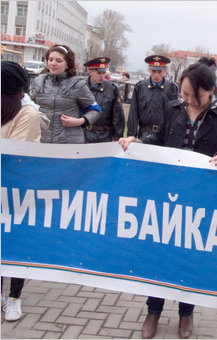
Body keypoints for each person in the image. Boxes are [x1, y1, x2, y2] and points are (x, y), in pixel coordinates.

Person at [119, 62, 217, 338]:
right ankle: (153, 310)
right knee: (160, 252)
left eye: (192, 95)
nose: (186, 99)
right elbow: (159, 138)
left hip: (200, 198)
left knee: (190, 255)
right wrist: (139, 142)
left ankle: (186, 314)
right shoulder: (173, 108)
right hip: (168, 194)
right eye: (184, 93)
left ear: (209, 91)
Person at [1, 61, 42, 322]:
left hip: (18, 189)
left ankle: (14, 297)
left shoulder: (27, 114)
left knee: (16, 243)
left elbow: (12, 153)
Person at [29, 44, 101, 144]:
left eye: (58, 61)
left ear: (68, 64)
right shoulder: (38, 82)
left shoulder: (77, 85)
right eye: (50, 59)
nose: (53, 63)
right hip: (41, 140)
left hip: (68, 143)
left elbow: (96, 110)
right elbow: (28, 107)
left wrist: (80, 121)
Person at [127, 55, 179, 139]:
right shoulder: (140, 87)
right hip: (145, 133)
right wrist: (131, 135)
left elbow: (176, 114)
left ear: (165, 70)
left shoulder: (172, 88)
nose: (156, 75)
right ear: (149, 70)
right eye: (153, 71)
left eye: (159, 71)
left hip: (164, 134)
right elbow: (133, 112)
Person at [83, 57, 125, 142]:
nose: (102, 76)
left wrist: (117, 136)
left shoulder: (112, 89)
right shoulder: (81, 87)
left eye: (103, 73)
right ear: (90, 71)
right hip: (83, 134)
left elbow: (117, 114)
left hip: (104, 136)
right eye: (98, 73)